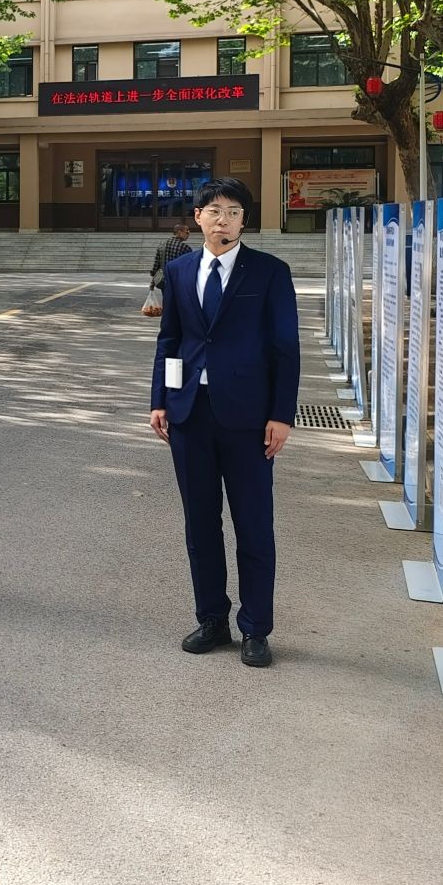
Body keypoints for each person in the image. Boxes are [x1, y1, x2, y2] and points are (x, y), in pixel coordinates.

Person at [148, 177, 299, 669]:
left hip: (249, 419)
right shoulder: (179, 271)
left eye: (233, 212)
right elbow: (170, 340)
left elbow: (285, 349)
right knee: (200, 524)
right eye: (214, 211)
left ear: (243, 220)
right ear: (198, 217)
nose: (223, 220)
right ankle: (212, 618)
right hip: (190, 414)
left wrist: (281, 414)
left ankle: (256, 628)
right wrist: (160, 400)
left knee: (253, 525)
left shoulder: (270, 273)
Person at [144, 221, 193, 319]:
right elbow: (189, 268)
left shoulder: (162, 244)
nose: (189, 234)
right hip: (179, 281)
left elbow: (156, 265)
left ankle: (167, 320)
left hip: (164, 280)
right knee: (178, 303)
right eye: (187, 231)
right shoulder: (185, 248)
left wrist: (152, 281)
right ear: (179, 232)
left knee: (167, 301)